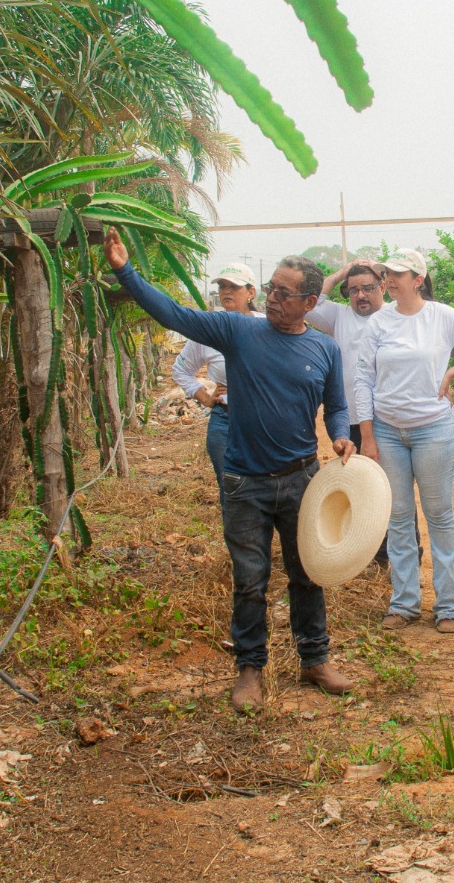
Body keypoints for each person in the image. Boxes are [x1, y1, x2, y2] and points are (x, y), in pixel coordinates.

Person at [103, 230, 356, 712]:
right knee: (250, 578)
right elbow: (173, 315)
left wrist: (341, 434)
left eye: (283, 293)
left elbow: (337, 406)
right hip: (245, 481)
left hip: (302, 478)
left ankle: (315, 659)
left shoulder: (325, 350)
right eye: (271, 288)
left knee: (308, 572)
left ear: (308, 301)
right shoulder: (240, 332)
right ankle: (250, 670)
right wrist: (124, 270)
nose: (271, 298)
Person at [353, 249, 454, 633]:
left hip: (433, 429)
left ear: (418, 279)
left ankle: (449, 606)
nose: (390, 280)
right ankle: (404, 604)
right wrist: (367, 435)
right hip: (387, 429)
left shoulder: (443, 317)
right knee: (398, 517)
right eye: (387, 273)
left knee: (438, 516)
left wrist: (453, 371)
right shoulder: (379, 322)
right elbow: (362, 380)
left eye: (398, 274)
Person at [171, 263, 260, 486]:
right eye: (222, 286)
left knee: (263, 486)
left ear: (251, 292)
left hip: (263, 420)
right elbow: (181, 370)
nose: (226, 292)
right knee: (230, 488)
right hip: (225, 421)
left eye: (234, 286)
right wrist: (206, 399)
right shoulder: (209, 328)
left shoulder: (267, 325)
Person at [309, 259, 389, 452]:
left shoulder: (396, 315)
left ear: (383, 287)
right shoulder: (339, 315)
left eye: (367, 288)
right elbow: (310, 303)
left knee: (389, 479)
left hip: (388, 420)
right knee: (355, 477)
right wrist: (343, 272)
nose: (360, 295)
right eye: (353, 290)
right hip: (350, 418)